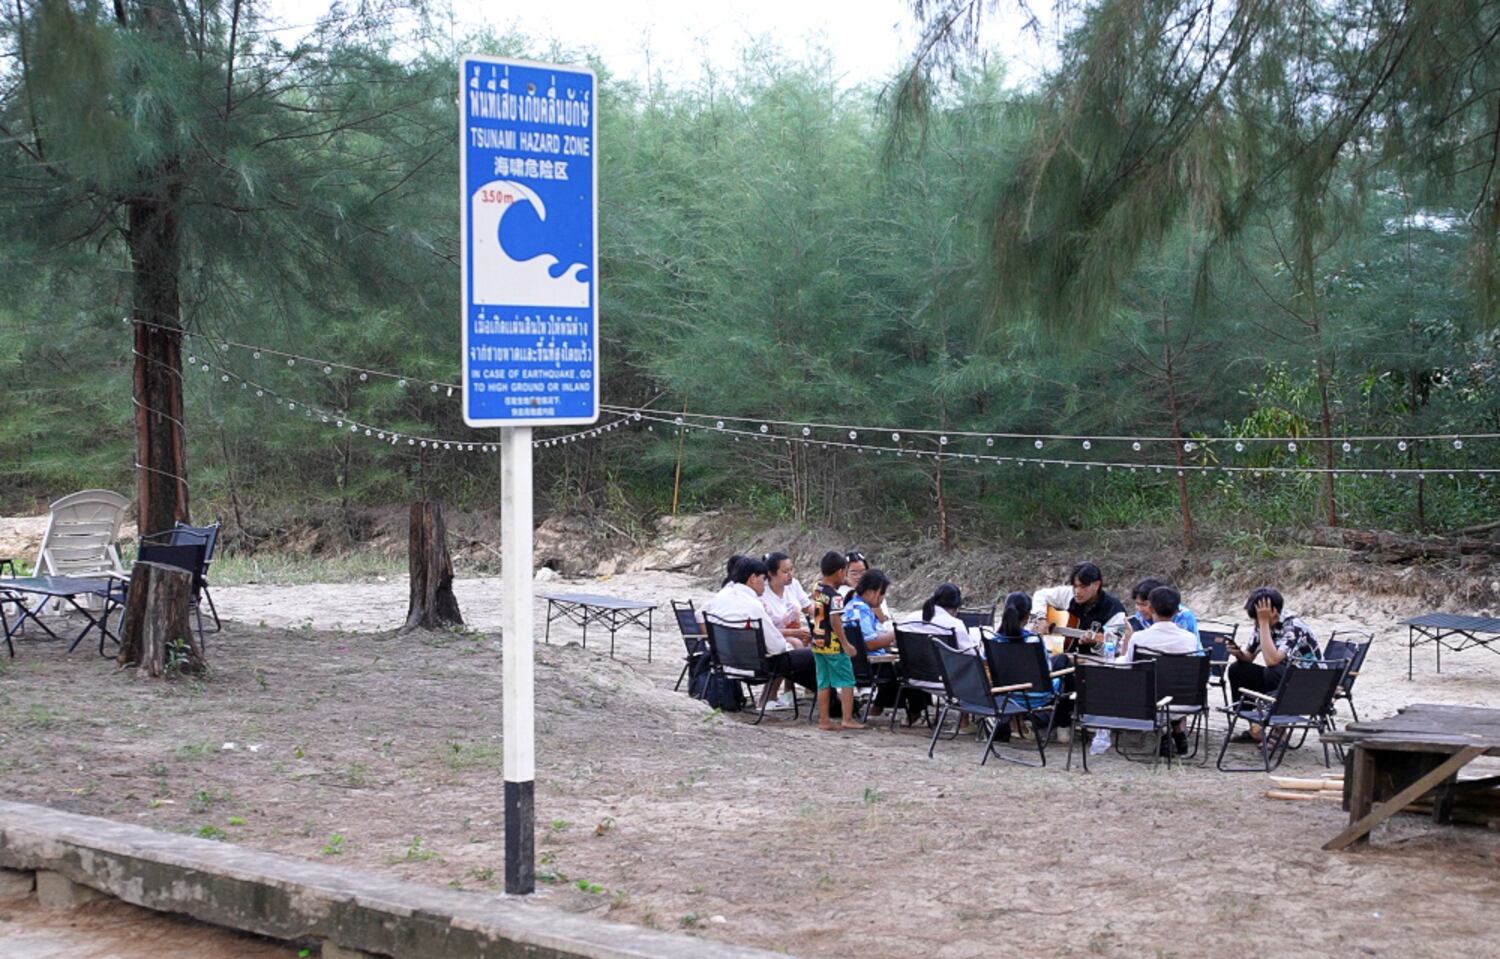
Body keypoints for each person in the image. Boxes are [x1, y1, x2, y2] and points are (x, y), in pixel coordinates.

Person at [700, 556, 815, 707]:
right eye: (763, 579)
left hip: (725, 662)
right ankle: (827, 698)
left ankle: (814, 696)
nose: (765, 584)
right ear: (753, 579)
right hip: (754, 667)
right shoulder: (753, 605)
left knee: (795, 653)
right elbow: (777, 647)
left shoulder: (721, 597)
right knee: (810, 655)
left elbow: (700, 615)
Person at [1226, 587, 1321, 742]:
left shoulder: (1293, 626)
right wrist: (1238, 653)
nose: (1256, 622)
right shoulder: (1263, 624)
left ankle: (1280, 730)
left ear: (1274, 612)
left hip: (1306, 684)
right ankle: (1256, 729)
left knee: (1273, 671)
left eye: (1258, 617)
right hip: (1282, 680)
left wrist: (1263, 623)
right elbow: (1249, 656)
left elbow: (1272, 660)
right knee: (1238, 669)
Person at [1124, 586, 1201, 756]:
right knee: (1168, 686)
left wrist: (1126, 642)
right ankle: (1174, 731)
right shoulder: (1190, 639)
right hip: (1184, 703)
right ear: (1177, 611)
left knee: (1147, 686)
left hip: (1148, 702)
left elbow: (1128, 667)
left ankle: (1164, 735)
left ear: (1150, 608)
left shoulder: (1139, 638)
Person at [809, 550, 864, 731]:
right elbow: (835, 621)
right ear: (840, 572)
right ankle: (847, 718)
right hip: (833, 644)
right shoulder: (836, 597)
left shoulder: (817, 587)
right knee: (847, 680)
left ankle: (824, 719)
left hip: (817, 642)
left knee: (823, 682)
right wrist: (846, 644)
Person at [1031, 562, 1127, 651]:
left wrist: (1095, 644)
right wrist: (1040, 618)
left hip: (1094, 664)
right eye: (1075, 586)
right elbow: (1040, 595)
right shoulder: (1070, 594)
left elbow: (1117, 649)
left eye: (1083, 586)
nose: (1077, 591)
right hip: (1064, 655)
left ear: (1096, 585)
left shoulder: (1115, 612)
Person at [906, 583, 979, 652]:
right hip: (947, 665)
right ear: (956, 607)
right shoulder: (955, 625)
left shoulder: (910, 619)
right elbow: (970, 654)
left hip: (912, 664)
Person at [1126, 577, 1201, 640]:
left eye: (1144, 604)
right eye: (1137, 604)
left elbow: (1192, 646)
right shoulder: (1139, 617)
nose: (1139, 609)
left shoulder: (1183, 616)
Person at [841, 569, 895, 653]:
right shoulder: (862, 610)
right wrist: (895, 633)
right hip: (873, 662)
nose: (882, 598)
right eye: (882, 593)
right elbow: (870, 643)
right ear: (870, 592)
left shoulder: (852, 604)